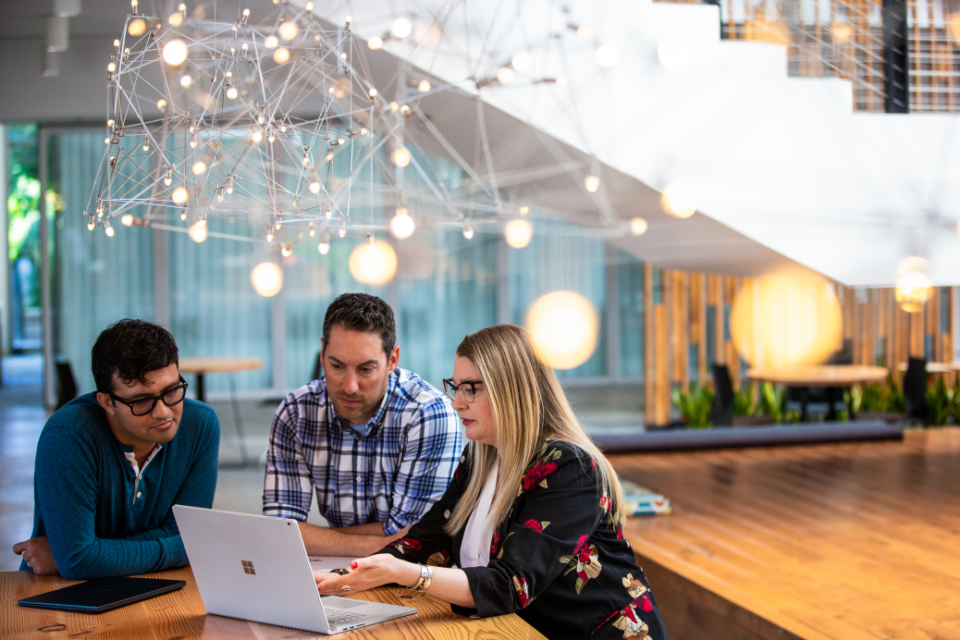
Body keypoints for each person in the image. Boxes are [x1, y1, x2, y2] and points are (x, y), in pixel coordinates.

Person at [314, 325, 669, 640]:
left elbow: (510, 584)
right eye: (455, 387)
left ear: (510, 390)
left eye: (470, 389)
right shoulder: (480, 458)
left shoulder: (570, 468)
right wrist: (341, 576)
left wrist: (409, 574)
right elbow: (424, 543)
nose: (456, 403)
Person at [14, 319, 220, 579]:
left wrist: (93, 553)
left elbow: (194, 539)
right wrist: (179, 548)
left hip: (159, 586)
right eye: (142, 401)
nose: (163, 412)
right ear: (107, 402)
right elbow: (78, 561)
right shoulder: (69, 436)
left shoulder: (200, 425)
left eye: (171, 391)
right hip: (59, 593)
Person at [263, 293, 462, 556]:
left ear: (392, 360)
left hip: (410, 576)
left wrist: (309, 535)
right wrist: (376, 542)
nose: (349, 386)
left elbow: (415, 539)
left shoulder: (428, 414)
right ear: (322, 353)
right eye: (337, 366)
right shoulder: (296, 413)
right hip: (332, 569)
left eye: (366, 369)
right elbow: (278, 531)